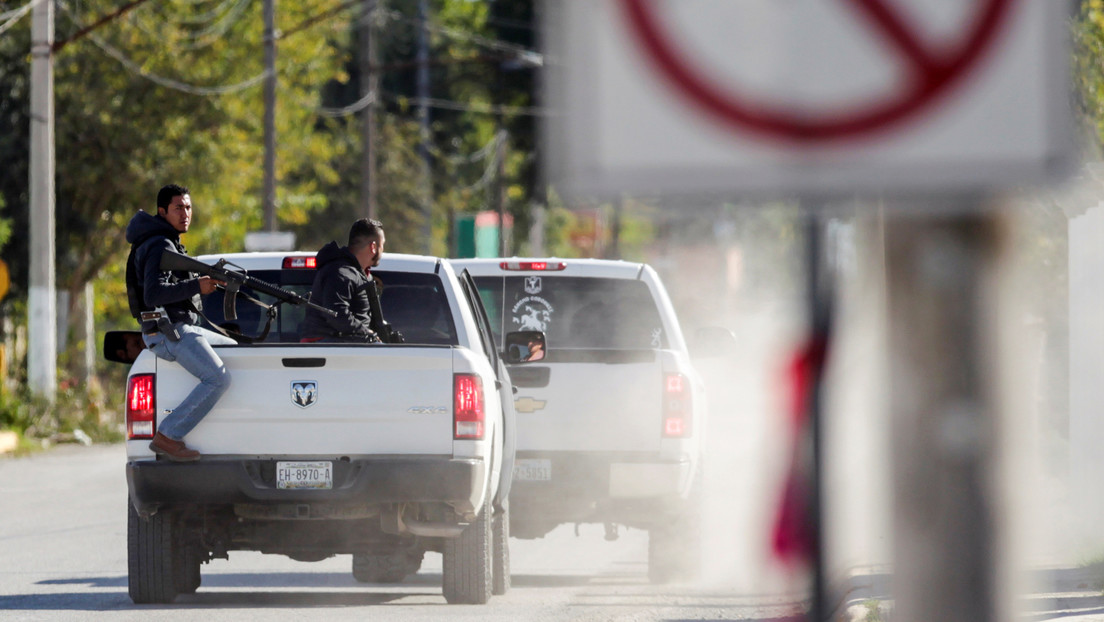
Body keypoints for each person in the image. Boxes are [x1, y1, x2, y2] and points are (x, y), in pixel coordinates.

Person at [125, 184, 235, 462]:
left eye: (188, 207)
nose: (185, 213)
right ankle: (168, 436)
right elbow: (153, 294)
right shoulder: (159, 243)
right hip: (167, 332)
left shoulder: (164, 240)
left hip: (177, 328)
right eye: (178, 208)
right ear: (162, 211)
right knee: (218, 378)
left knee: (235, 347)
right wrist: (196, 285)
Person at [300, 218, 387, 343]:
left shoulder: (356, 273)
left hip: (344, 350)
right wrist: (367, 333)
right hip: (330, 348)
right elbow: (336, 314)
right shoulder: (341, 272)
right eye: (382, 245)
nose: (382, 249)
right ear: (373, 247)